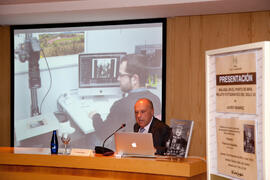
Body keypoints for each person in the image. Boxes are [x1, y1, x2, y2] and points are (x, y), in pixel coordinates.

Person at [91, 54, 161, 150]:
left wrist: (95, 116)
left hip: (124, 157)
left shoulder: (120, 105)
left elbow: (103, 133)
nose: (118, 79)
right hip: (145, 155)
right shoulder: (155, 99)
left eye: (121, 75)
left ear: (135, 79)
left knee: (91, 139)